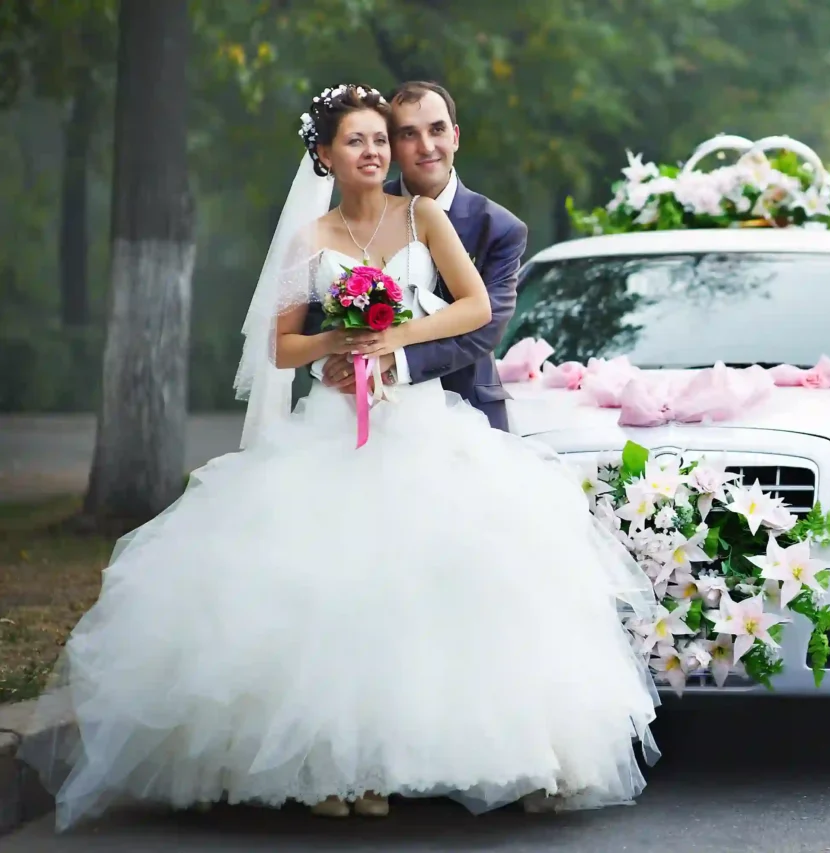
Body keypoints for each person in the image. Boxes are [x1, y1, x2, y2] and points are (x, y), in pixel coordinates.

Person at [22, 83, 661, 831]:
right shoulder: (309, 241)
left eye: (379, 141)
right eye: (358, 141)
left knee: (428, 586)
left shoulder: (421, 216)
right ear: (324, 155)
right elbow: (282, 342)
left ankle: (414, 758)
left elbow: (475, 308)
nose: (376, 152)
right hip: (333, 425)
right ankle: (329, 766)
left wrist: (392, 337)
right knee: (328, 585)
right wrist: (336, 340)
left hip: (421, 424)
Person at [309, 80, 525, 432]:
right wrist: (337, 361)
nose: (426, 146)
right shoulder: (361, 208)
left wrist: (394, 359)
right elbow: (318, 305)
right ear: (392, 145)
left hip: (468, 411)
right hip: (364, 411)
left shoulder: (499, 228)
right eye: (408, 134)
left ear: (455, 136)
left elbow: (485, 327)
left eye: (437, 130)